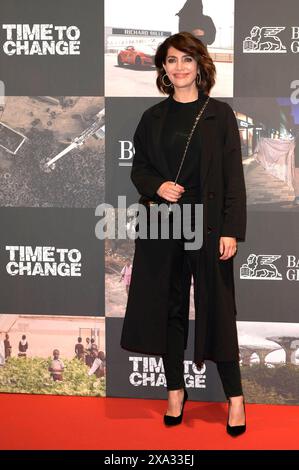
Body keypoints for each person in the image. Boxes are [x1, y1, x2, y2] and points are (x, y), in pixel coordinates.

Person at [120, 32, 247, 436]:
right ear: (163, 68)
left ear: (200, 66)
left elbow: (233, 180)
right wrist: (156, 186)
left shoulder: (220, 114)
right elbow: (138, 169)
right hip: (163, 222)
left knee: (219, 310)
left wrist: (231, 230)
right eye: (171, 60)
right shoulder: (152, 117)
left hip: (208, 225)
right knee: (168, 309)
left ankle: (236, 399)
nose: (179, 67)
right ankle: (175, 390)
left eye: (186, 60)